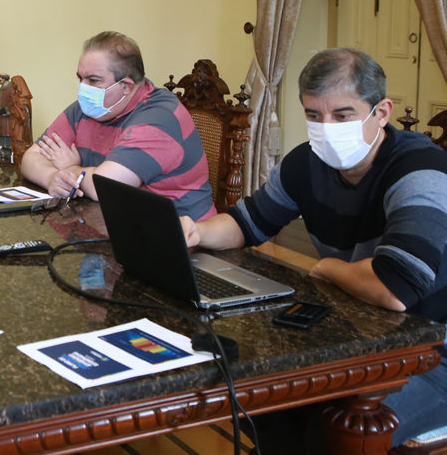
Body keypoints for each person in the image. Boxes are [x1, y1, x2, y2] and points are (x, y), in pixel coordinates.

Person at [180, 48, 447, 447]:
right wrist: (197, 233)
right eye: (313, 115)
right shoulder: (306, 163)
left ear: (382, 112)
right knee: (264, 403)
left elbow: (394, 289)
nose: (327, 127)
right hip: (360, 332)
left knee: (330, 434)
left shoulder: (420, 170)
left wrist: (328, 270)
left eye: (342, 115)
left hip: (434, 351)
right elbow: (246, 222)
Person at [21, 31, 216, 220]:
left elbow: (104, 187)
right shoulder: (89, 108)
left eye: (93, 80)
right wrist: (53, 177)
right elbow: (30, 158)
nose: (84, 88)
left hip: (183, 239)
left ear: (127, 86)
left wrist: (71, 168)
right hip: (115, 223)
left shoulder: (159, 118)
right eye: (80, 78)